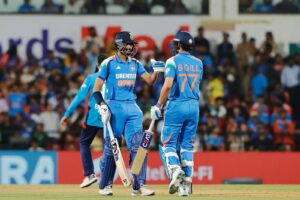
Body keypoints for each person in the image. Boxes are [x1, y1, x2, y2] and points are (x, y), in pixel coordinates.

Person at [93, 31, 164, 196]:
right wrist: (102, 105)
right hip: (114, 107)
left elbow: (150, 81)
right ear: (119, 45)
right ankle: (105, 186)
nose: (131, 47)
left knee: (139, 146)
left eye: (132, 44)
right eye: (128, 44)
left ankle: (139, 186)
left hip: (132, 108)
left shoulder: (135, 63)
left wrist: (157, 71)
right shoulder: (108, 63)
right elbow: (96, 90)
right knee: (113, 147)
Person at [151, 31, 203, 196]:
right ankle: (185, 186)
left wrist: (158, 105)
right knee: (187, 146)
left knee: (168, 144)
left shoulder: (172, 61)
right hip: (194, 106)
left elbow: (167, 86)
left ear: (178, 45)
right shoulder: (199, 63)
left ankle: (174, 170)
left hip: (176, 105)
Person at [60, 55, 107, 188]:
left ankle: (90, 175)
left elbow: (79, 97)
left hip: (93, 117)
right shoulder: (113, 78)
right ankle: (107, 179)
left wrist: (67, 113)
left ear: (97, 65)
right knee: (108, 148)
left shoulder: (92, 78)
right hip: (109, 118)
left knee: (84, 143)